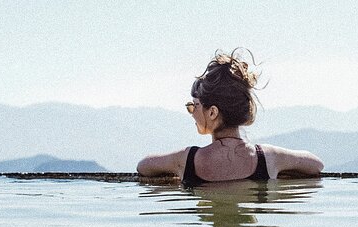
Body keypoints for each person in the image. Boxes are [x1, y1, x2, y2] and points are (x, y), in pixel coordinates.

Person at [136, 49, 324, 187]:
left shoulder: (187, 159)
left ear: (212, 112)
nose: (191, 112)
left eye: (194, 105)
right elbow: (316, 164)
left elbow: (143, 166)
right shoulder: (268, 157)